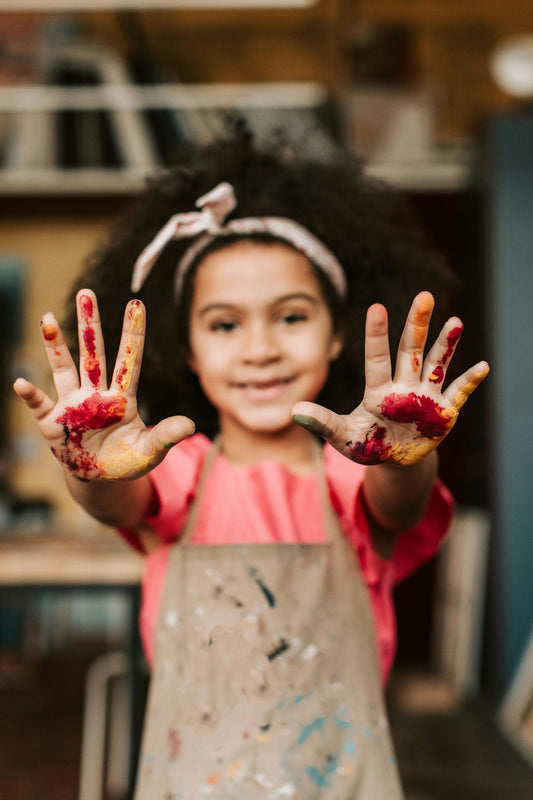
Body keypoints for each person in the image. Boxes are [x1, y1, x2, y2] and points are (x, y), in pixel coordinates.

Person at [14, 134, 489, 799]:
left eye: (290, 316)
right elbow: (120, 502)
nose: (260, 348)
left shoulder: (346, 475)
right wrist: (92, 471)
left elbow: (398, 501)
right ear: (187, 351)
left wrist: (405, 455)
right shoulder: (179, 473)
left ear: (334, 333)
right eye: (225, 325)